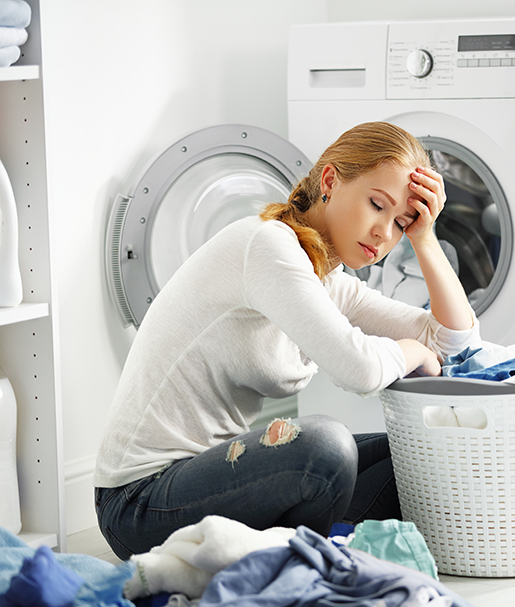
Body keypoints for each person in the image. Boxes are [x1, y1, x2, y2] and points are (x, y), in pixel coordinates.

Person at [93, 122, 479, 560]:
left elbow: (454, 340)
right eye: (377, 205)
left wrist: (425, 238)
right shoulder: (268, 246)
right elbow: (361, 369)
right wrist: (414, 353)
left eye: (401, 223)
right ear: (330, 181)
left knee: (416, 451)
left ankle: (313, 555)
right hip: (140, 502)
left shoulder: (326, 278)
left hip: (215, 480)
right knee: (324, 445)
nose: (383, 234)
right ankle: (310, 561)